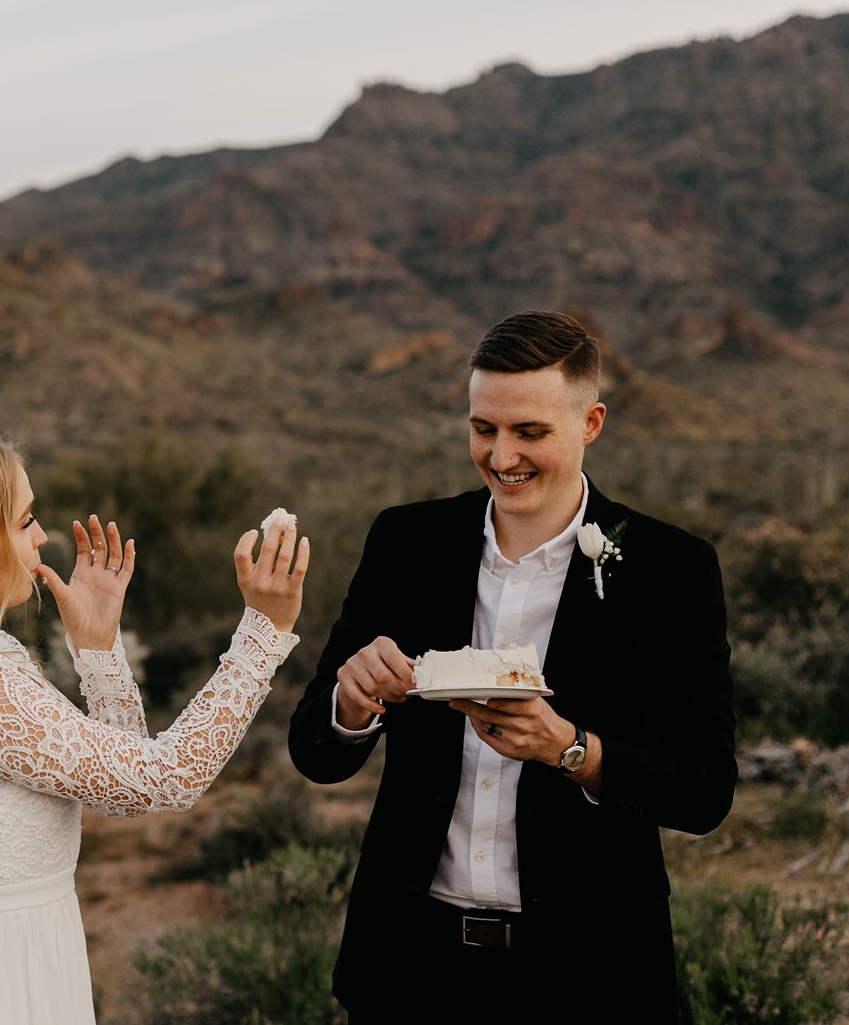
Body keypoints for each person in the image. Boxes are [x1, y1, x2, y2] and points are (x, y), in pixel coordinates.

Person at [287, 310, 735, 1022]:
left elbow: (706, 788)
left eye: (529, 432)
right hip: (411, 964)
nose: (501, 456)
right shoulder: (407, 542)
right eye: (483, 428)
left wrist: (574, 751)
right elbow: (314, 751)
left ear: (591, 422)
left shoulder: (671, 569)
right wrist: (350, 703)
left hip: (588, 970)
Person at [0, 428, 309, 1024]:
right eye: (25, 521)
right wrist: (263, 634)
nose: (43, 537)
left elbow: (122, 785)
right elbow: (167, 779)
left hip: (1, 965)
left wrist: (98, 649)